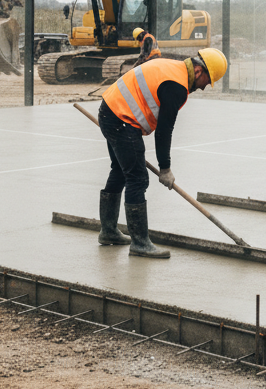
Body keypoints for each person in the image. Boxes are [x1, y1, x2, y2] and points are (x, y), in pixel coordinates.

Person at [97, 48, 228, 258]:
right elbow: (164, 131)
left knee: (120, 171)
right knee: (138, 179)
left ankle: (109, 231)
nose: (204, 87)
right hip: (121, 120)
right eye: (207, 80)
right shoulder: (176, 85)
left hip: (110, 111)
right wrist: (165, 168)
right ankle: (139, 243)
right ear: (197, 69)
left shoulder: (174, 69)